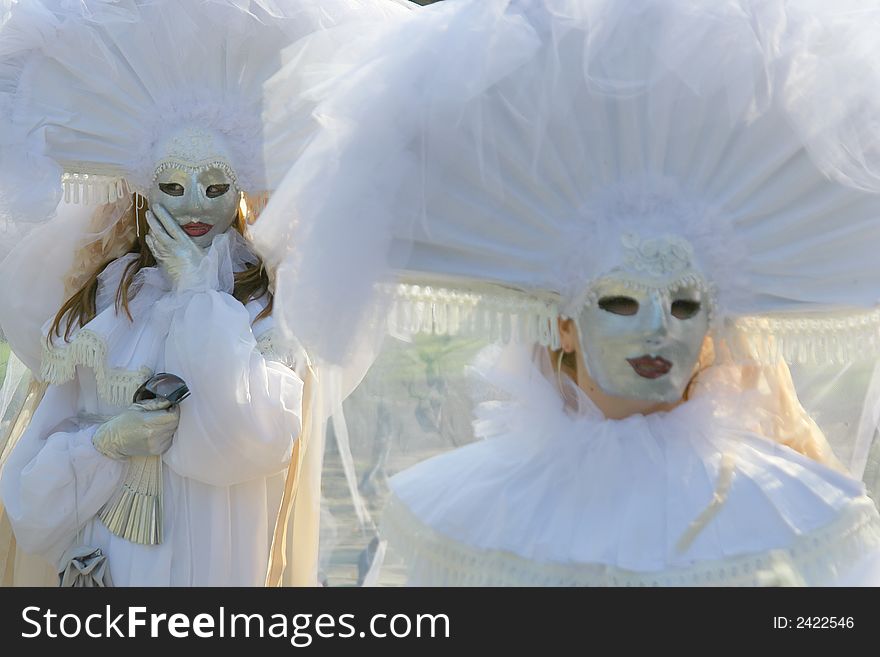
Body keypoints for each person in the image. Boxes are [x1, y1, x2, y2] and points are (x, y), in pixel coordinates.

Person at [254, 0, 880, 585]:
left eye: (685, 305)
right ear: (563, 324)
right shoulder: (483, 514)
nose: (658, 330)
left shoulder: (785, 517)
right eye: (620, 302)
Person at [0, 0, 409, 587]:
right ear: (144, 185)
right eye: (172, 184)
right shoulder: (106, 302)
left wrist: (199, 294)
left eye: (215, 186)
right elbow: (32, 502)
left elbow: (250, 444)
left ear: (239, 185)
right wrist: (107, 443)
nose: (194, 204)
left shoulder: (267, 302)